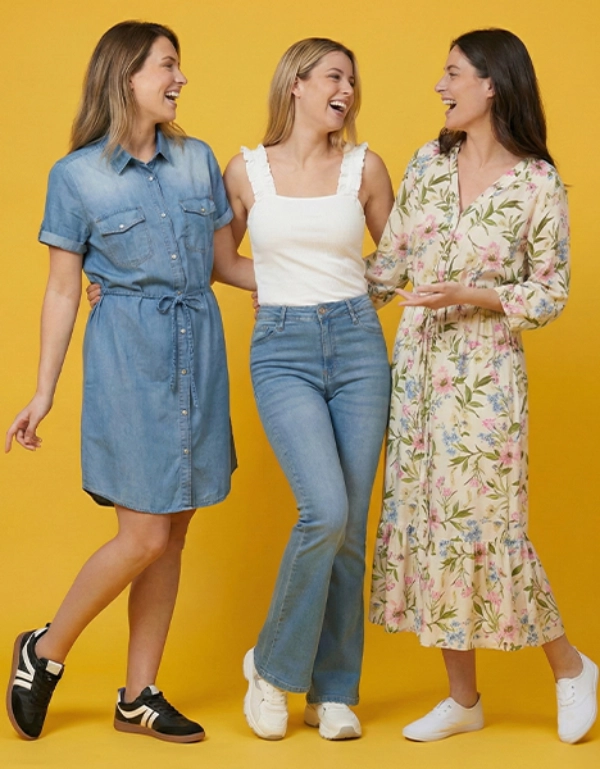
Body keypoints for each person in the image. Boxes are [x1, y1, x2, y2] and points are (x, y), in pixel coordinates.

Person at [5, 21, 254, 743]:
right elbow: (61, 292)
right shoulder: (76, 176)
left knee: (171, 533)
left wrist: (312, 282)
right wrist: (44, 390)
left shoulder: (197, 159)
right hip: (130, 360)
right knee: (142, 533)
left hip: (196, 351)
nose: (180, 80)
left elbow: (223, 264)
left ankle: (138, 694)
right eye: (168, 66)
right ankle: (44, 649)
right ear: (126, 77)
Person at [367, 28, 597, 744]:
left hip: (486, 374)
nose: (440, 86)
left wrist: (476, 293)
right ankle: (462, 697)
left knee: (487, 524)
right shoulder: (428, 165)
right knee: (430, 525)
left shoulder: (536, 184)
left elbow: (551, 290)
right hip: (418, 377)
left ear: (492, 84)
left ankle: (569, 667)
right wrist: (287, 286)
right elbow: (387, 265)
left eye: (453, 73)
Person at [223, 38, 394, 740]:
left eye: (352, 80)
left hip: (358, 346)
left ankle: (334, 691)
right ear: (296, 83)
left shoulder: (366, 166)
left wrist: (350, 297)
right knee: (322, 510)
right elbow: (217, 260)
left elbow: (403, 255)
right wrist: (284, 290)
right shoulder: (245, 170)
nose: (346, 90)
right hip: (282, 349)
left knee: (351, 528)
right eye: (334, 76)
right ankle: (270, 666)